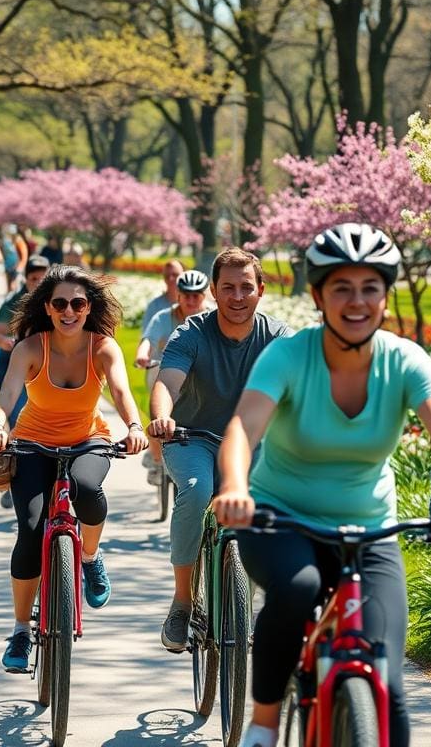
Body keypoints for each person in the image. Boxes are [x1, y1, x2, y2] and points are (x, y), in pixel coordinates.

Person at [209, 223, 431, 747]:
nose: (357, 301)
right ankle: (265, 724)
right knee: (297, 591)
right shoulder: (291, 355)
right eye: (342, 287)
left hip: (369, 527)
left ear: (385, 297)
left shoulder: (402, 359)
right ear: (318, 296)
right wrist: (234, 486)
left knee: (389, 686)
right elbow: (243, 429)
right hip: (280, 517)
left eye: (370, 288)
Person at [0, 265, 149, 673]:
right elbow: (6, 398)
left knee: (86, 489)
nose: (69, 310)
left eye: (78, 303)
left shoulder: (103, 347)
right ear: (48, 307)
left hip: (87, 439)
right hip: (32, 443)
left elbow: (122, 392)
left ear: (88, 306)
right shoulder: (29, 348)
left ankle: (90, 558)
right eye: (60, 303)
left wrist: (133, 427)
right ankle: (22, 631)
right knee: (32, 528)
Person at [146, 248, 292, 653]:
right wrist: (162, 417)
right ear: (213, 291)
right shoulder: (191, 333)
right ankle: (181, 602)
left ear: (261, 290)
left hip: (250, 441)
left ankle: (267, 601)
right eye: (228, 287)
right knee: (194, 489)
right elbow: (166, 384)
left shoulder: (277, 337)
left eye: (247, 287)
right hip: (192, 436)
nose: (238, 296)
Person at [135, 269, 210, 485]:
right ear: (178, 295)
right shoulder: (163, 317)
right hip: (163, 371)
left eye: (196, 295)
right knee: (157, 411)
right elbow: (148, 339)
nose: (191, 300)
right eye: (187, 295)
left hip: (199, 375)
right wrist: (142, 355)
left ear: (204, 296)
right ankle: (157, 458)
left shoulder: (212, 318)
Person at [0, 254, 50, 508]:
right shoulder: (14, 303)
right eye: (34, 278)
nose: (38, 283)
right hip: (14, 364)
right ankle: (13, 477)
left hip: (44, 366)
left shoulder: (55, 302)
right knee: (16, 420)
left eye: (42, 278)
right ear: (26, 279)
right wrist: (7, 342)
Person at [141, 260, 185, 337]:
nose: (171, 279)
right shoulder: (154, 306)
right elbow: (146, 336)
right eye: (167, 276)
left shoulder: (191, 303)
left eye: (175, 275)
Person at [1, 225, 28, 292]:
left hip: (17, 267)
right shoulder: (7, 242)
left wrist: (20, 267)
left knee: (14, 285)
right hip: (8, 266)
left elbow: (24, 256)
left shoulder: (20, 241)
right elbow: (4, 254)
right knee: (9, 286)